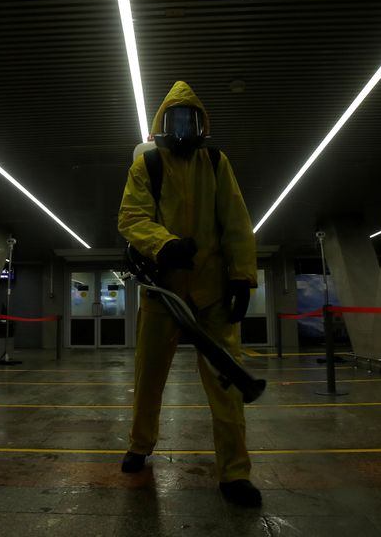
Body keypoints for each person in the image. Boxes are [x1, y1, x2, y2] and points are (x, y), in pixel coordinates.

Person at [118, 81, 261, 506]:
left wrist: (242, 277)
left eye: (190, 120)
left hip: (212, 292)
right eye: (174, 120)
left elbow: (236, 221)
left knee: (227, 385)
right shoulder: (147, 166)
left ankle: (235, 473)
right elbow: (131, 217)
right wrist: (164, 244)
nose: (182, 128)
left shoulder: (215, 163)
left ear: (202, 125)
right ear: (163, 124)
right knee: (148, 375)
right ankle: (139, 444)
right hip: (163, 293)